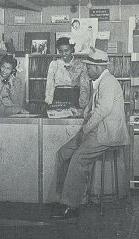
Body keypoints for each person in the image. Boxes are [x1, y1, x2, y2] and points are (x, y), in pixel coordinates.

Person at [52, 48, 129, 220]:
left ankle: (71, 206)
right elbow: (92, 109)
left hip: (106, 134)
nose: (87, 70)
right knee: (63, 154)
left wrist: (85, 130)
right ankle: (66, 198)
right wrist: (79, 113)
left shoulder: (109, 82)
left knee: (78, 158)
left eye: (89, 68)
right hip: (95, 131)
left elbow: (103, 110)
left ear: (98, 67)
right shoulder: (100, 82)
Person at [45, 37, 90, 109]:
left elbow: (84, 86)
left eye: (66, 50)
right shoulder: (54, 64)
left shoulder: (80, 64)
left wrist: (83, 104)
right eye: (61, 51)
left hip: (74, 96)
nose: (63, 54)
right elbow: (49, 84)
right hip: (58, 96)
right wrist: (49, 101)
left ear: (72, 49)